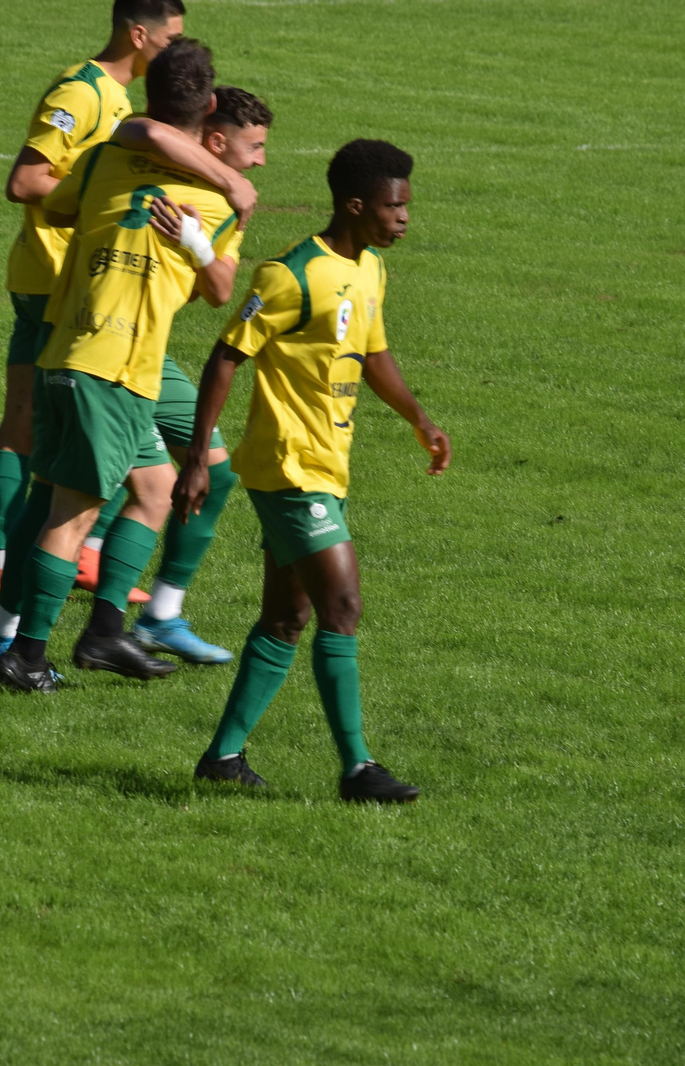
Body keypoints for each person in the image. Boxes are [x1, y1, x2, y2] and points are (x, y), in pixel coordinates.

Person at [172, 139, 450, 803]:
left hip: (327, 462)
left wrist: (418, 418)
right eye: (393, 207)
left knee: (286, 616)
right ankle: (358, 769)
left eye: (406, 206)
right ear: (356, 206)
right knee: (343, 606)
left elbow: (372, 351)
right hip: (289, 467)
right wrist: (196, 460)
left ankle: (223, 757)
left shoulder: (371, 269)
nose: (404, 217)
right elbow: (225, 357)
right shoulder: (290, 275)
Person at [0, 0, 257, 602]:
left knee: (53, 451)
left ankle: (26, 586)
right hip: (71, 291)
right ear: (138, 35)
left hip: (89, 295)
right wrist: (105, 201)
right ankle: (76, 589)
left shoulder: (127, 109)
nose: (177, 51)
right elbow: (26, 183)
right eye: (171, 37)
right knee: (82, 458)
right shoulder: (85, 94)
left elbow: (144, 135)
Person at [78, 87, 274, 665]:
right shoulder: (161, 167)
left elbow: (217, 291)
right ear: (216, 142)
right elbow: (143, 130)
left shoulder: (218, 205)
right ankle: (24, 632)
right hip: (107, 341)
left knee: (202, 474)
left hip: (145, 349)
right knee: (89, 495)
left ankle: (155, 613)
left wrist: (193, 243)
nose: (261, 161)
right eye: (254, 146)